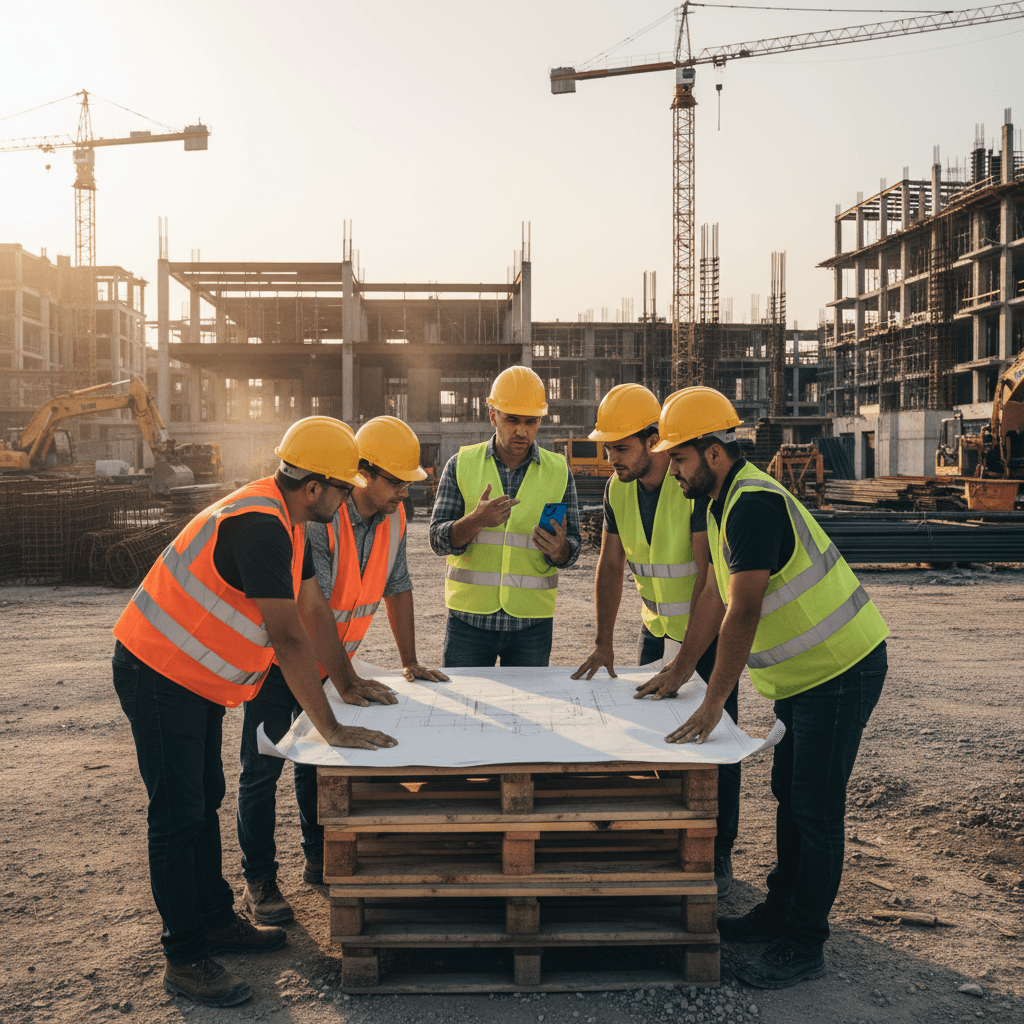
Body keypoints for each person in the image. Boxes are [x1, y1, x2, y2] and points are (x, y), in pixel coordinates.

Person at [111, 416, 398, 1007]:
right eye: (343, 488)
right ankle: (186, 957)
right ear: (315, 487)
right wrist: (332, 729)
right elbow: (290, 639)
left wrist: (347, 681)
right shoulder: (261, 525)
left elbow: (315, 611)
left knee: (205, 798)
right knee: (177, 814)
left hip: (194, 680)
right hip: (157, 672)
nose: (348, 498)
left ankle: (216, 919)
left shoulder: (289, 524)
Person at [639, 387, 889, 989]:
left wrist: (713, 702)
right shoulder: (722, 503)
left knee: (815, 809)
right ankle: (781, 912)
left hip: (841, 669)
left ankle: (806, 943)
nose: (672, 470)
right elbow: (711, 595)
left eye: (679, 458)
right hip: (806, 676)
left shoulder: (752, 504)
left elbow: (743, 611)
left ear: (714, 453)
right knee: (790, 796)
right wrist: (678, 671)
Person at [237, 416, 447, 926]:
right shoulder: (318, 521)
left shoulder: (395, 518)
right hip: (277, 664)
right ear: (363, 475)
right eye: (395, 481)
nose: (402, 491)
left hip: (332, 665)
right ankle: (260, 879)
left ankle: (318, 857)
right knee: (263, 769)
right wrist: (345, 680)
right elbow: (311, 614)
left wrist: (409, 658)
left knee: (319, 765)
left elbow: (398, 584)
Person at [572, 383, 739, 896]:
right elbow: (611, 563)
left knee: (716, 746)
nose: (610, 458)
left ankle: (718, 855)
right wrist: (604, 641)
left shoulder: (689, 486)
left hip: (703, 641)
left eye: (621, 447)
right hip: (656, 636)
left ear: (654, 442)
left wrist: (685, 662)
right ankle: (669, 844)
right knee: (656, 746)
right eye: (607, 447)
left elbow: (707, 577)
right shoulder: (616, 489)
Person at [429, 365, 581, 667]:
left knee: (527, 712)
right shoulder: (460, 464)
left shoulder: (558, 471)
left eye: (531, 421)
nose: (522, 431)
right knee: (465, 714)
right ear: (493, 416)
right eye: (512, 420)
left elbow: (572, 549)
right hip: (469, 622)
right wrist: (475, 521)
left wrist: (560, 549)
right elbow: (437, 539)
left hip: (532, 625)